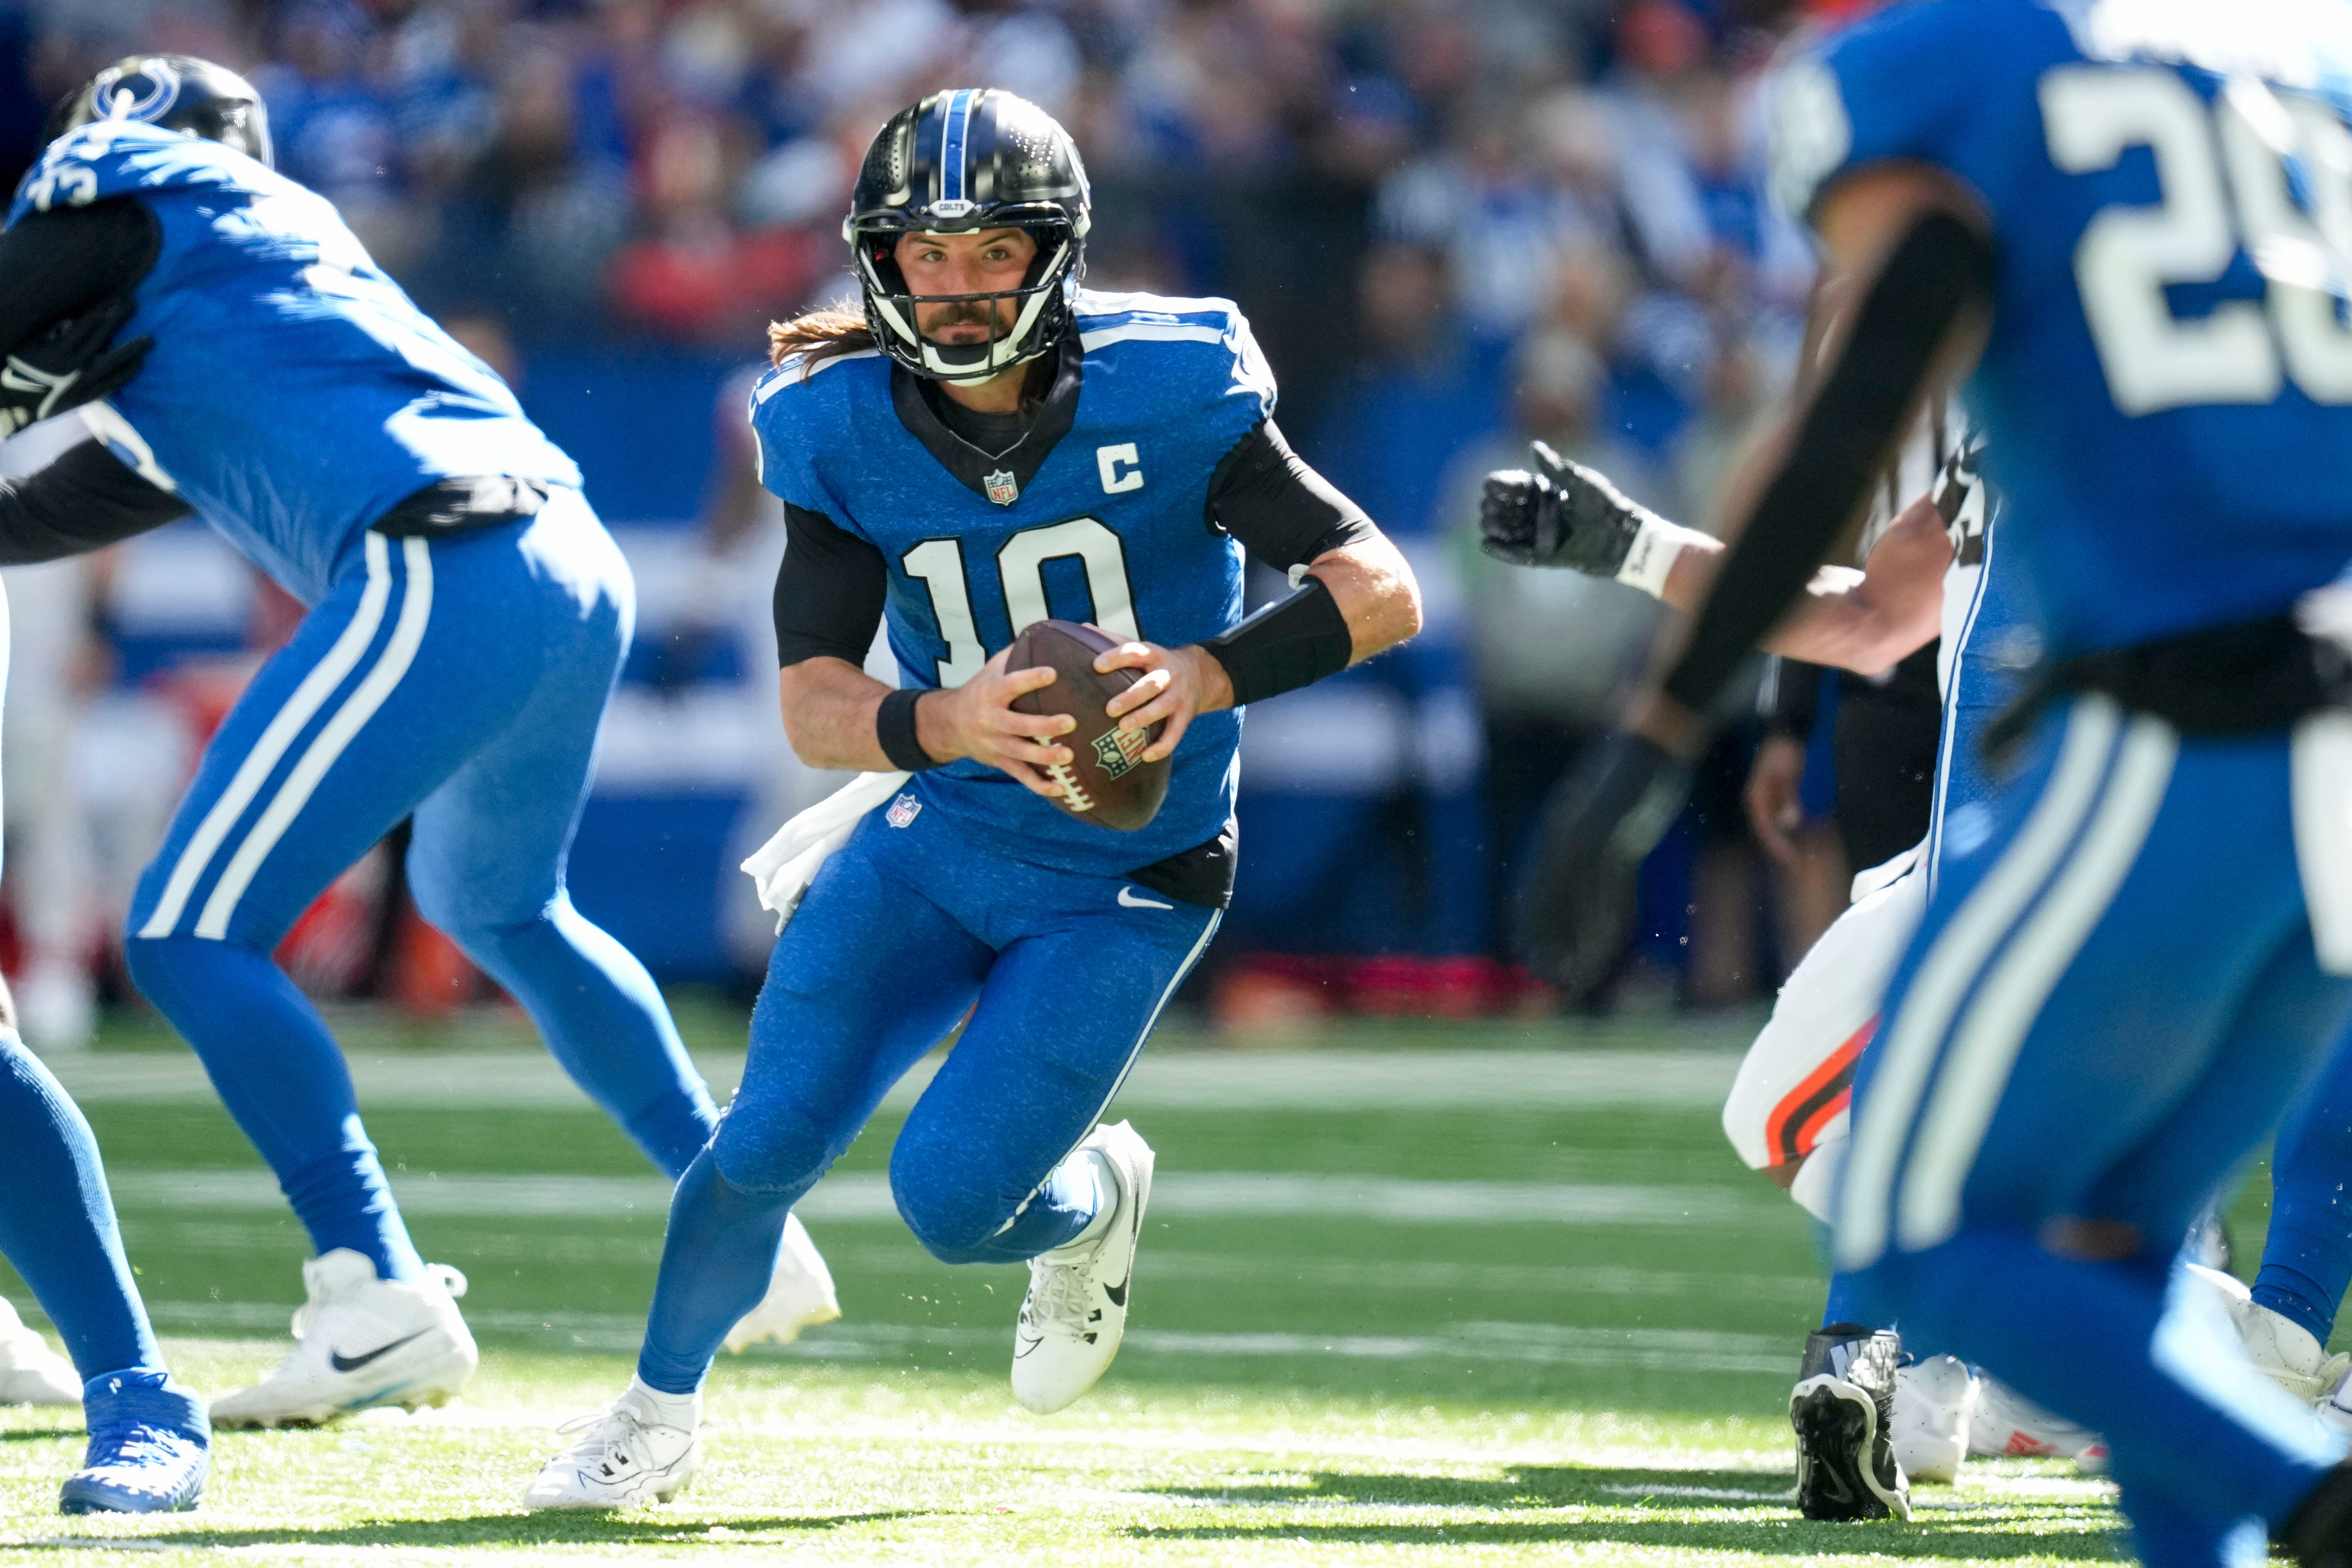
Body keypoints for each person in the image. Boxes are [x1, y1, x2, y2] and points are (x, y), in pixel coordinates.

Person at [1501, 2, 2352, 1561]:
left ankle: (2299, 1476)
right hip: (2290, 752)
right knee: (2108, 1256)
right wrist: (1628, 547)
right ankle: (2235, 1405)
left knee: (1914, 1215)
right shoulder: (2296, 81)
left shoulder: (1959, 83)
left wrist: (1655, 736)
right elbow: (1871, 609)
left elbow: (1850, 406)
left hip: (2176, 748)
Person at [523, 88, 1422, 1510]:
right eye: (924, 255)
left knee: (948, 1205)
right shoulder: (832, 421)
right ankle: (654, 1413)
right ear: (879, 260)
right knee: (763, 1138)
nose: (953, 287)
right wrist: (939, 720)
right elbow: (812, 705)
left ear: (1052, 255)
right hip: (939, 838)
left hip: (1126, 877)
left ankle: (1092, 1200)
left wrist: (1203, 672)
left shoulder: (1168, 386)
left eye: (990, 252)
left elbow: (1380, 588)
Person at [0, 54, 836, 1428]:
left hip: (441, 562)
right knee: (502, 907)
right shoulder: (252, 288)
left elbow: (47, 280)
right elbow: (55, 508)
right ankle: (742, 1217)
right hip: (562, 557)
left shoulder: (137, 195)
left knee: (188, 934)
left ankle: (374, 1288)